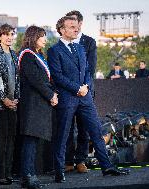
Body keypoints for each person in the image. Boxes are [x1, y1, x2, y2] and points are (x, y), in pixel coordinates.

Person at [47, 16, 129, 183]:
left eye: (77, 27)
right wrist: (77, 88)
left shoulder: (80, 48)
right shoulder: (54, 51)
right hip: (68, 99)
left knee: (97, 132)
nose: (76, 29)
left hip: (85, 99)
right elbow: (57, 76)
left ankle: (107, 167)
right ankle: (59, 171)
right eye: (71, 27)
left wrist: (85, 86)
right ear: (62, 30)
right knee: (62, 136)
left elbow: (87, 71)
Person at [19, 26, 58, 189]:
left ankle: (30, 174)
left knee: (33, 141)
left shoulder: (39, 55)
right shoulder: (27, 55)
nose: (45, 40)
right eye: (42, 37)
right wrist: (51, 95)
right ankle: (27, 175)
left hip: (39, 105)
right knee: (29, 140)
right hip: (31, 105)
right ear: (34, 37)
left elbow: (46, 79)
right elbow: (36, 80)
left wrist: (53, 92)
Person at [64, 10, 97, 173]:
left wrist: (83, 88)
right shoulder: (62, 42)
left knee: (84, 128)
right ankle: (68, 161)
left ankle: (81, 160)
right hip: (68, 93)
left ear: (80, 23)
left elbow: (90, 69)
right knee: (68, 128)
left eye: (74, 22)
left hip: (85, 93)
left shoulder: (89, 42)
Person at [0, 24, 19, 185]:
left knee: (11, 140)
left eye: (11, 34)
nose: (9, 37)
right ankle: (0, 174)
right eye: (5, 34)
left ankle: (8, 173)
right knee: (2, 140)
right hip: (0, 106)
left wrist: (16, 100)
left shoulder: (14, 55)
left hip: (13, 105)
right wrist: (4, 99)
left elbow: (17, 80)